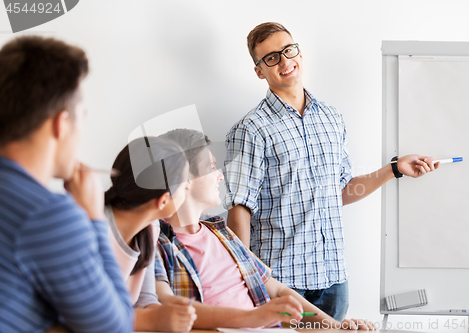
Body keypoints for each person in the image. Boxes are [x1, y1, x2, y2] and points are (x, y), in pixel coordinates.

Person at [223, 22, 440, 321]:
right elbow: (239, 207)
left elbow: (340, 191)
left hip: (333, 279)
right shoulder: (250, 129)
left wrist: (393, 169)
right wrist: (245, 277)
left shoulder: (331, 118)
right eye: (271, 57)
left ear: (299, 51)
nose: (285, 61)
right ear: (260, 70)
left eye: (289, 50)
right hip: (282, 280)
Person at [154, 128, 374, 330]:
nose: (220, 175)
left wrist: (333, 326)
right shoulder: (155, 244)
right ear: (184, 176)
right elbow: (167, 309)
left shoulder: (220, 231)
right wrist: (255, 317)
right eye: (211, 168)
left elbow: (276, 290)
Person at [0, 36, 133, 332]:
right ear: (61, 124)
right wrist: (93, 218)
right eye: (81, 118)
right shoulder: (48, 214)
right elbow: (116, 326)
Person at [104, 136, 197, 332]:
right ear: (163, 200)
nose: (188, 186)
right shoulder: (94, 228)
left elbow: (145, 298)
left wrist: (165, 315)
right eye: (183, 181)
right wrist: (153, 319)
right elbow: (89, 314)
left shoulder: (151, 228)